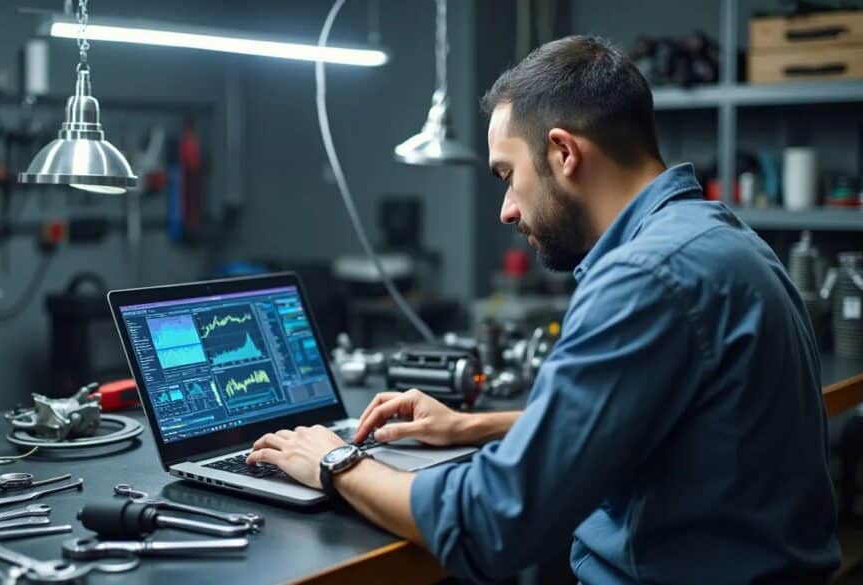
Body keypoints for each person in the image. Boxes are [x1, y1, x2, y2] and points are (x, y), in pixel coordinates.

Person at [247, 35, 841, 583]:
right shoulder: (719, 239)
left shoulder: (644, 276)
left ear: (562, 153)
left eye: (508, 175)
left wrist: (334, 460)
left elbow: (492, 523)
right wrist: (470, 427)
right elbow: (655, 419)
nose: (507, 209)